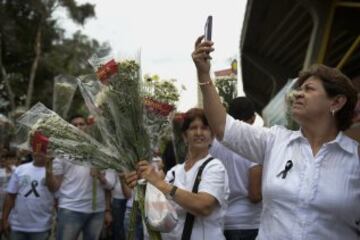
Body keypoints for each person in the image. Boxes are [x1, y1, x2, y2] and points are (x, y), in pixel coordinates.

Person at [192, 35, 360, 239]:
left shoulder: (355, 158)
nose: (298, 94)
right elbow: (222, 127)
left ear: (336, 102)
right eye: (299, 89)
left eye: (309, 89)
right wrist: (203, 74)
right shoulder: (275, 141)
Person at [126, 108, 230, 240]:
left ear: (212, 136)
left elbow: (204, 206)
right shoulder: (175, 171)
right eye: (193, 128)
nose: (199, 132)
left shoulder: (214, 167)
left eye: (204, 128)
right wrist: (142, 184)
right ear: (185, 136)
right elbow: (160, 206)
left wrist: (159, 183)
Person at [45, 115, 113, 240]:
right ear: (69, 128)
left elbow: (110, 185)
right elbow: (54, 187)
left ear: (87, 127)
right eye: (74, 125)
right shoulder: (62, 152)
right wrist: (48, 169)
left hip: (97, 210)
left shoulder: (99, 151)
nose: (78, 127)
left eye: (82, 124)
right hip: (70, 209)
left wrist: (99, 176)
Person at [209, 97, 262, 240]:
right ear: (253, 118)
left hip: (221, 221)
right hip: (248, 223)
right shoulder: (255, 144)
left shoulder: (214, 145)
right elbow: (255, 195)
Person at [2, 143, 54, 240]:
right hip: (18, 226)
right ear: (32, 151)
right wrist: (5, 219)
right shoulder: (20, 169)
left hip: (41, 227)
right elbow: (10, 196)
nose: (39, 154)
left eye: (43, 151)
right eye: (36, 150)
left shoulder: (52, 172)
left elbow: (56, 197)